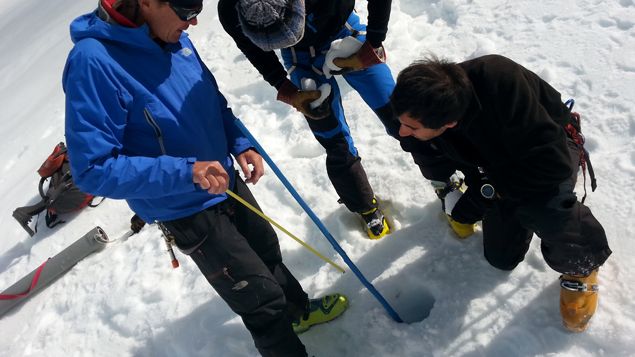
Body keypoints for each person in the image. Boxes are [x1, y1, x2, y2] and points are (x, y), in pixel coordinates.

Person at [62, 1, 348, 356]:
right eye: (185, 8)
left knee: (266, 250)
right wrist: (185, 172)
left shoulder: (173, 34)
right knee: (259, 299)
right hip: (184, 206)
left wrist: (239, 141)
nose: (194, 19)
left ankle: (299, 311)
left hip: (223, 177)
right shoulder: (93, 62)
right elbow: (92, 169)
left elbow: (208, 99)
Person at [390, 54, 612, 332]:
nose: (402, 131)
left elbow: (550, 167)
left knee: (544, 207)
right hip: (485, 161)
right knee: (501, 258)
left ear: (448, 124)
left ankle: (581, 265)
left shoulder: (501, 82)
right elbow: (426, 151)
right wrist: (446, 189)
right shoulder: (416, 105)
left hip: (545, 153)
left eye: (411, 127)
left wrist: (486, 193)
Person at [218, 0, 398, 239]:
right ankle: (365, 206)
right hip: (301, 59)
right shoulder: (231, 9)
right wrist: (287, 89)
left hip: (345, 31)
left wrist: (373, 42)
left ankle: (443, 178)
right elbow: (252, 49)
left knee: (398, 113)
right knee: (333, 139)